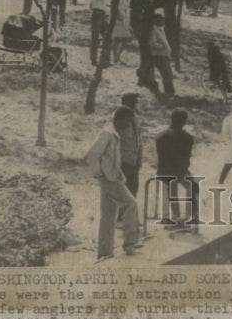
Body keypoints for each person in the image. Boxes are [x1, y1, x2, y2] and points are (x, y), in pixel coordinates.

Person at [84, 106, 142, 260]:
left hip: (113, 177)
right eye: (127, 121)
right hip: (109, 179)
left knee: (108, 215)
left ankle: (105, 252)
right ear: (119, 119)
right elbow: (91, 155)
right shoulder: (107, 133)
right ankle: (130, 244)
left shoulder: (113, 133)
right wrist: (98, 174)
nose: (128, 125)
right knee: (131, 204)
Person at [155, 109, 199, 226]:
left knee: (171, 188)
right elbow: (186, 159)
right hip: (179, 171)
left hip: (163, 172)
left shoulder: (160, 136)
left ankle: (175, 216)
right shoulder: (187, 137)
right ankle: (191, 217)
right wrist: (181, 170)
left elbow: (161, 158)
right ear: (184, 121)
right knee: (194, 186)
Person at [116, 93, 143, 197]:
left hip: (133, 161)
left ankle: (129, 214)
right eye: (133, 101)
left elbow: (138, 139)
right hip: (122, 161)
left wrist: (139, 157)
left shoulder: (135, 117)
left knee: (133, 192)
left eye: (135, 101)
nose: (135, 104)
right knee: (122, 193)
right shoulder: (118, 116)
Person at [149, 12, 175, 96]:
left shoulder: (160, 29)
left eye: (163, 19)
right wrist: (162, 47)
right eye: (160, 20)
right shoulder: (154, 30)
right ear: (155, 20)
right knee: (167, 74)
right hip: (159, 55)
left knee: (168, 74)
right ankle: (169, 92)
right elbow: (152, 43)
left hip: (163, 55)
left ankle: (170, 91)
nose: (162, 21)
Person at [89, 0, 111, 67]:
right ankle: (93, 59)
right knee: (95, 37)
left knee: (107, 36)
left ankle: (106, 59)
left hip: (103, 13)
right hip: (96, 12)